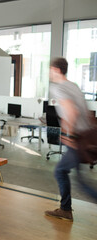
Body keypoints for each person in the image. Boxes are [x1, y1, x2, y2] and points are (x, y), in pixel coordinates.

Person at [45, 57, 92, 221]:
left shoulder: (57, 88)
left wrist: (69, 134)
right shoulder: (74, 86)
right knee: (76, 176)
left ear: (56, 70)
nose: (49, 73)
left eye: (50, 69)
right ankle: (65, 208)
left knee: (61, 172)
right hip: (86, 136)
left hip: (77, 138)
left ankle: (65, 209)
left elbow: (72, 112)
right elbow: (84, 112)